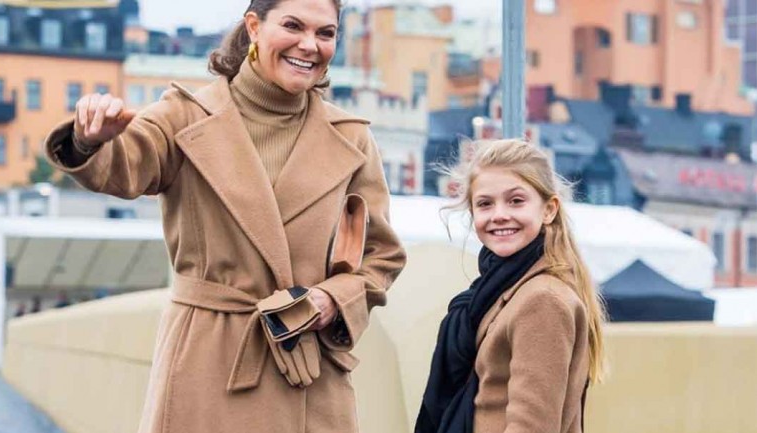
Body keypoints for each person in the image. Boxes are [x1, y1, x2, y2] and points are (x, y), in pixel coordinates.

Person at [43, 0, 406, 431]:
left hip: (307, 367)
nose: (310, 45)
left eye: (325, 33)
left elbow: (381, 255)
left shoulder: (351, 137)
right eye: (293, 26)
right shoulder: (185, 116)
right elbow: (125, 166)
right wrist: (89, 141)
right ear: (253, 27)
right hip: (206, 364)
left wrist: (333, 300)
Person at [415, 139, 605, 433]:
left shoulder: (542, 300)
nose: (499, 214)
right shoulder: (501, 291)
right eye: (485, 204)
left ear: (549, 210)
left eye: (516, 201)